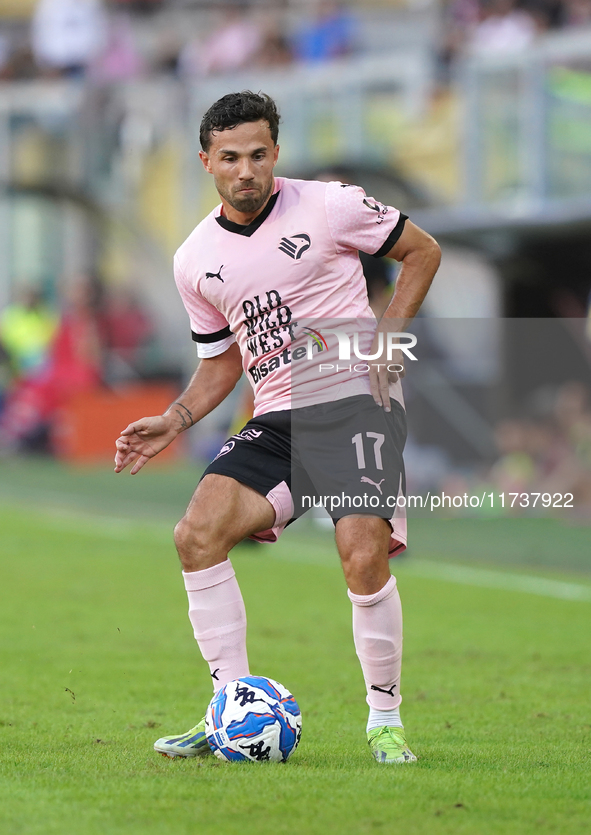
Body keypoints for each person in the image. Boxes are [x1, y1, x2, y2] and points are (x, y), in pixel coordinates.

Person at [114, 91, 440, 764]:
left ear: (276, 154)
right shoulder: (193, 259)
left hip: (355, 399)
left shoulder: (330, 205)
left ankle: (384, 721)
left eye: (258, 154)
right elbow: (221, 365)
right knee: (196, 533)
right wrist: (174, 418)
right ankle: (229, 708)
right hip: (279, 417)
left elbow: (422, 251)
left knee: (360, 551)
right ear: (206, 161)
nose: (246, 170)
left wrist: (387, 336)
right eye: (230, 157)